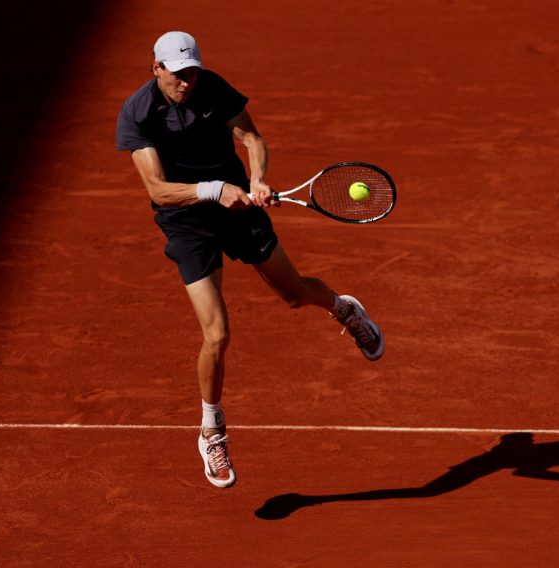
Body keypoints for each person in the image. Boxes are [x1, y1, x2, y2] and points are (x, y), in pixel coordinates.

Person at [116, 31, 384, 489]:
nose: (186, 82)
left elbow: (251, 138)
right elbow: (158, 189)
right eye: (177, 74)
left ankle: (342, 309)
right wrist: (215, 190)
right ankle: (211, 431)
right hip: (187, 222)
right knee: (217, 333)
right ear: (156, 69)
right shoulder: (136, 113)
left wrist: (257, 179)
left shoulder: (212, 88)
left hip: (238, 208)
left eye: (191, 72)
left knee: (295, 294)